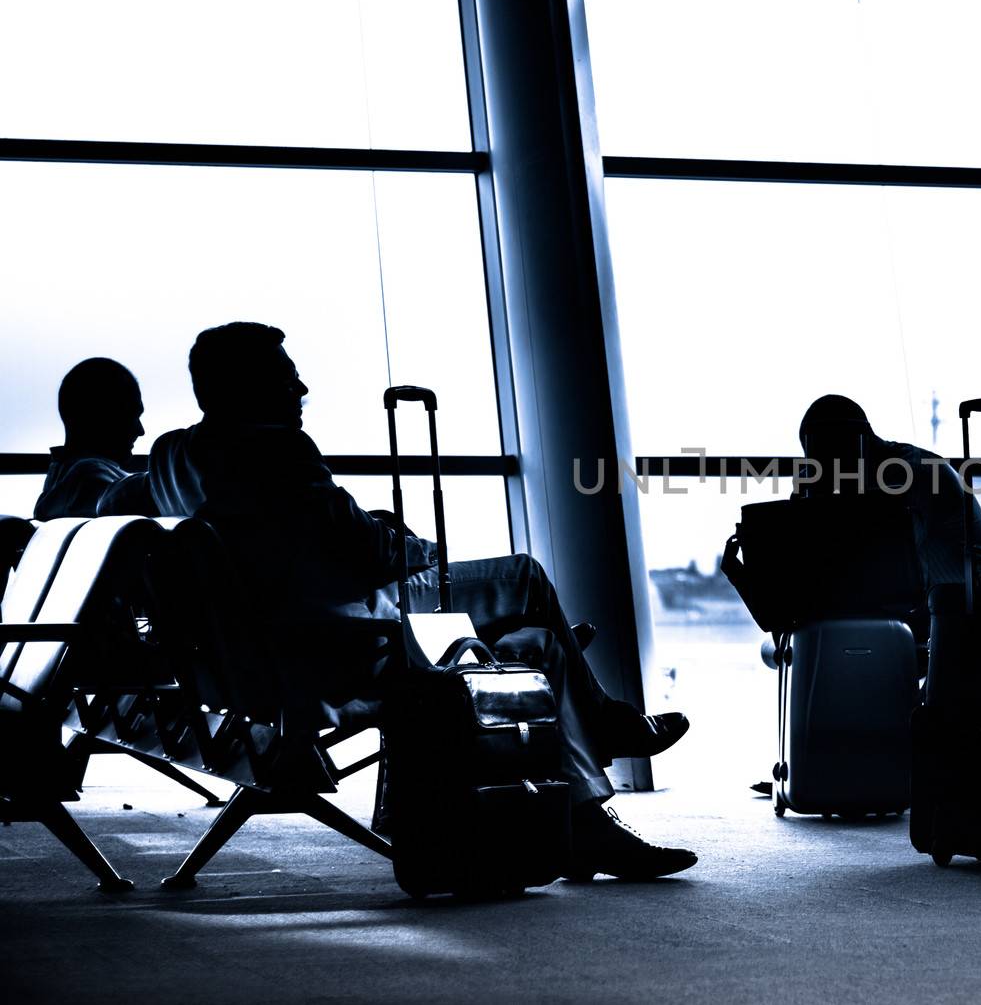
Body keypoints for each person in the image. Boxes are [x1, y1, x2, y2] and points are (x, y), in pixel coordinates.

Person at [101, 322, 695, 879]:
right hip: (333, 649)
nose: (301, 387)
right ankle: (604, 725)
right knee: (523, 576)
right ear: (247, 388)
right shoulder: (278, 451)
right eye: (286, 376)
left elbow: (284, 537)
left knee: (535, 647)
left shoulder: (172, 456)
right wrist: (418, 546)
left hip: (249, 657)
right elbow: (370, 553)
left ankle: (588, 820)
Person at [797, 395, 981, 591]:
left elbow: (861, 549)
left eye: (825, 465)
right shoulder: (876, 475)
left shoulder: (910, 473)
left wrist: (810, 502)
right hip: (947, 604)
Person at [33, 358, 145, 520]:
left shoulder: (60, 486)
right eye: (131, 415)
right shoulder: (87, 479)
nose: (140, 431)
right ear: (99, 416)